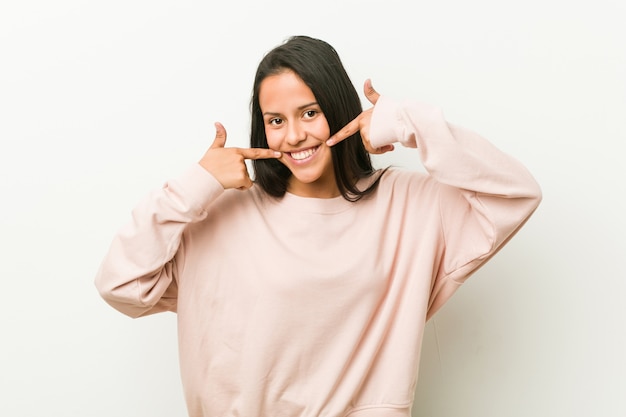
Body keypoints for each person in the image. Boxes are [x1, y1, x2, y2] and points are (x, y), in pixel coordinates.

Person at [95, 35, 542, 417]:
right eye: (276, 121)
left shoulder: (410, 205)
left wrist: (406, 124)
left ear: (338, 108)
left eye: (309, 113)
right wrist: (197, 183)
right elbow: (121, 283)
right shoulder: (221, 215)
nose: (293, 136)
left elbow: (515, 194)